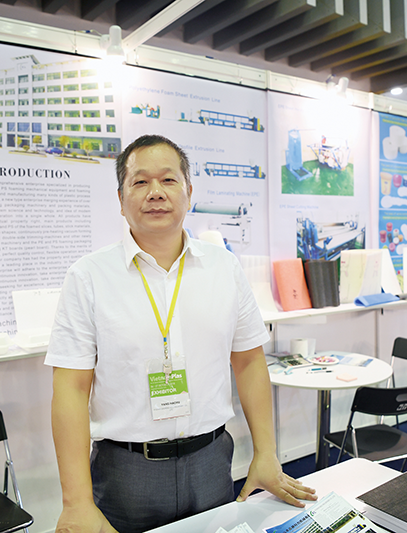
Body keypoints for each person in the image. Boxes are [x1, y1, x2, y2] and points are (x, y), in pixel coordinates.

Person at [46, 134, 316, 533]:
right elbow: (70, 388)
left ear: (189, 192)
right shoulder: (88, 277)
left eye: (168, 180)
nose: (155, 192)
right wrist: (76, 502)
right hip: (125, 472)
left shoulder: (224, 268)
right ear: (120, 199)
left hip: (211, 462)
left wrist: (266, 452)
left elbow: (249, 362)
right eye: (140, 182)